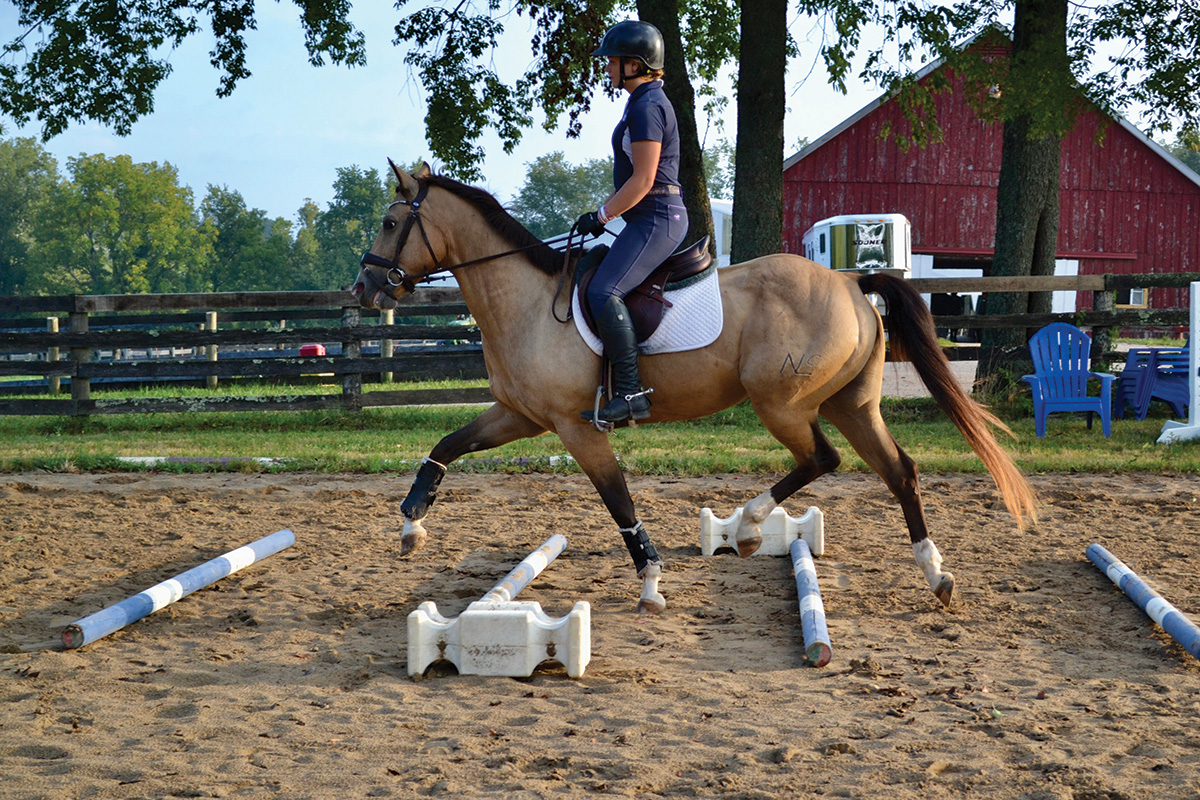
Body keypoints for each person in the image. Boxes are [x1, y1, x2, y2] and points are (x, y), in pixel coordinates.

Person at [575, 19, 688, 426]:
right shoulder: (641, 102)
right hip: (645, 217)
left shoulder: (648, 106)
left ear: (636, 64)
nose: (606, 67)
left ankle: (631, 394)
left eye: (613, 61)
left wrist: (602, 214)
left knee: (605, 291)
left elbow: (643, 179)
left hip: (657, 217)